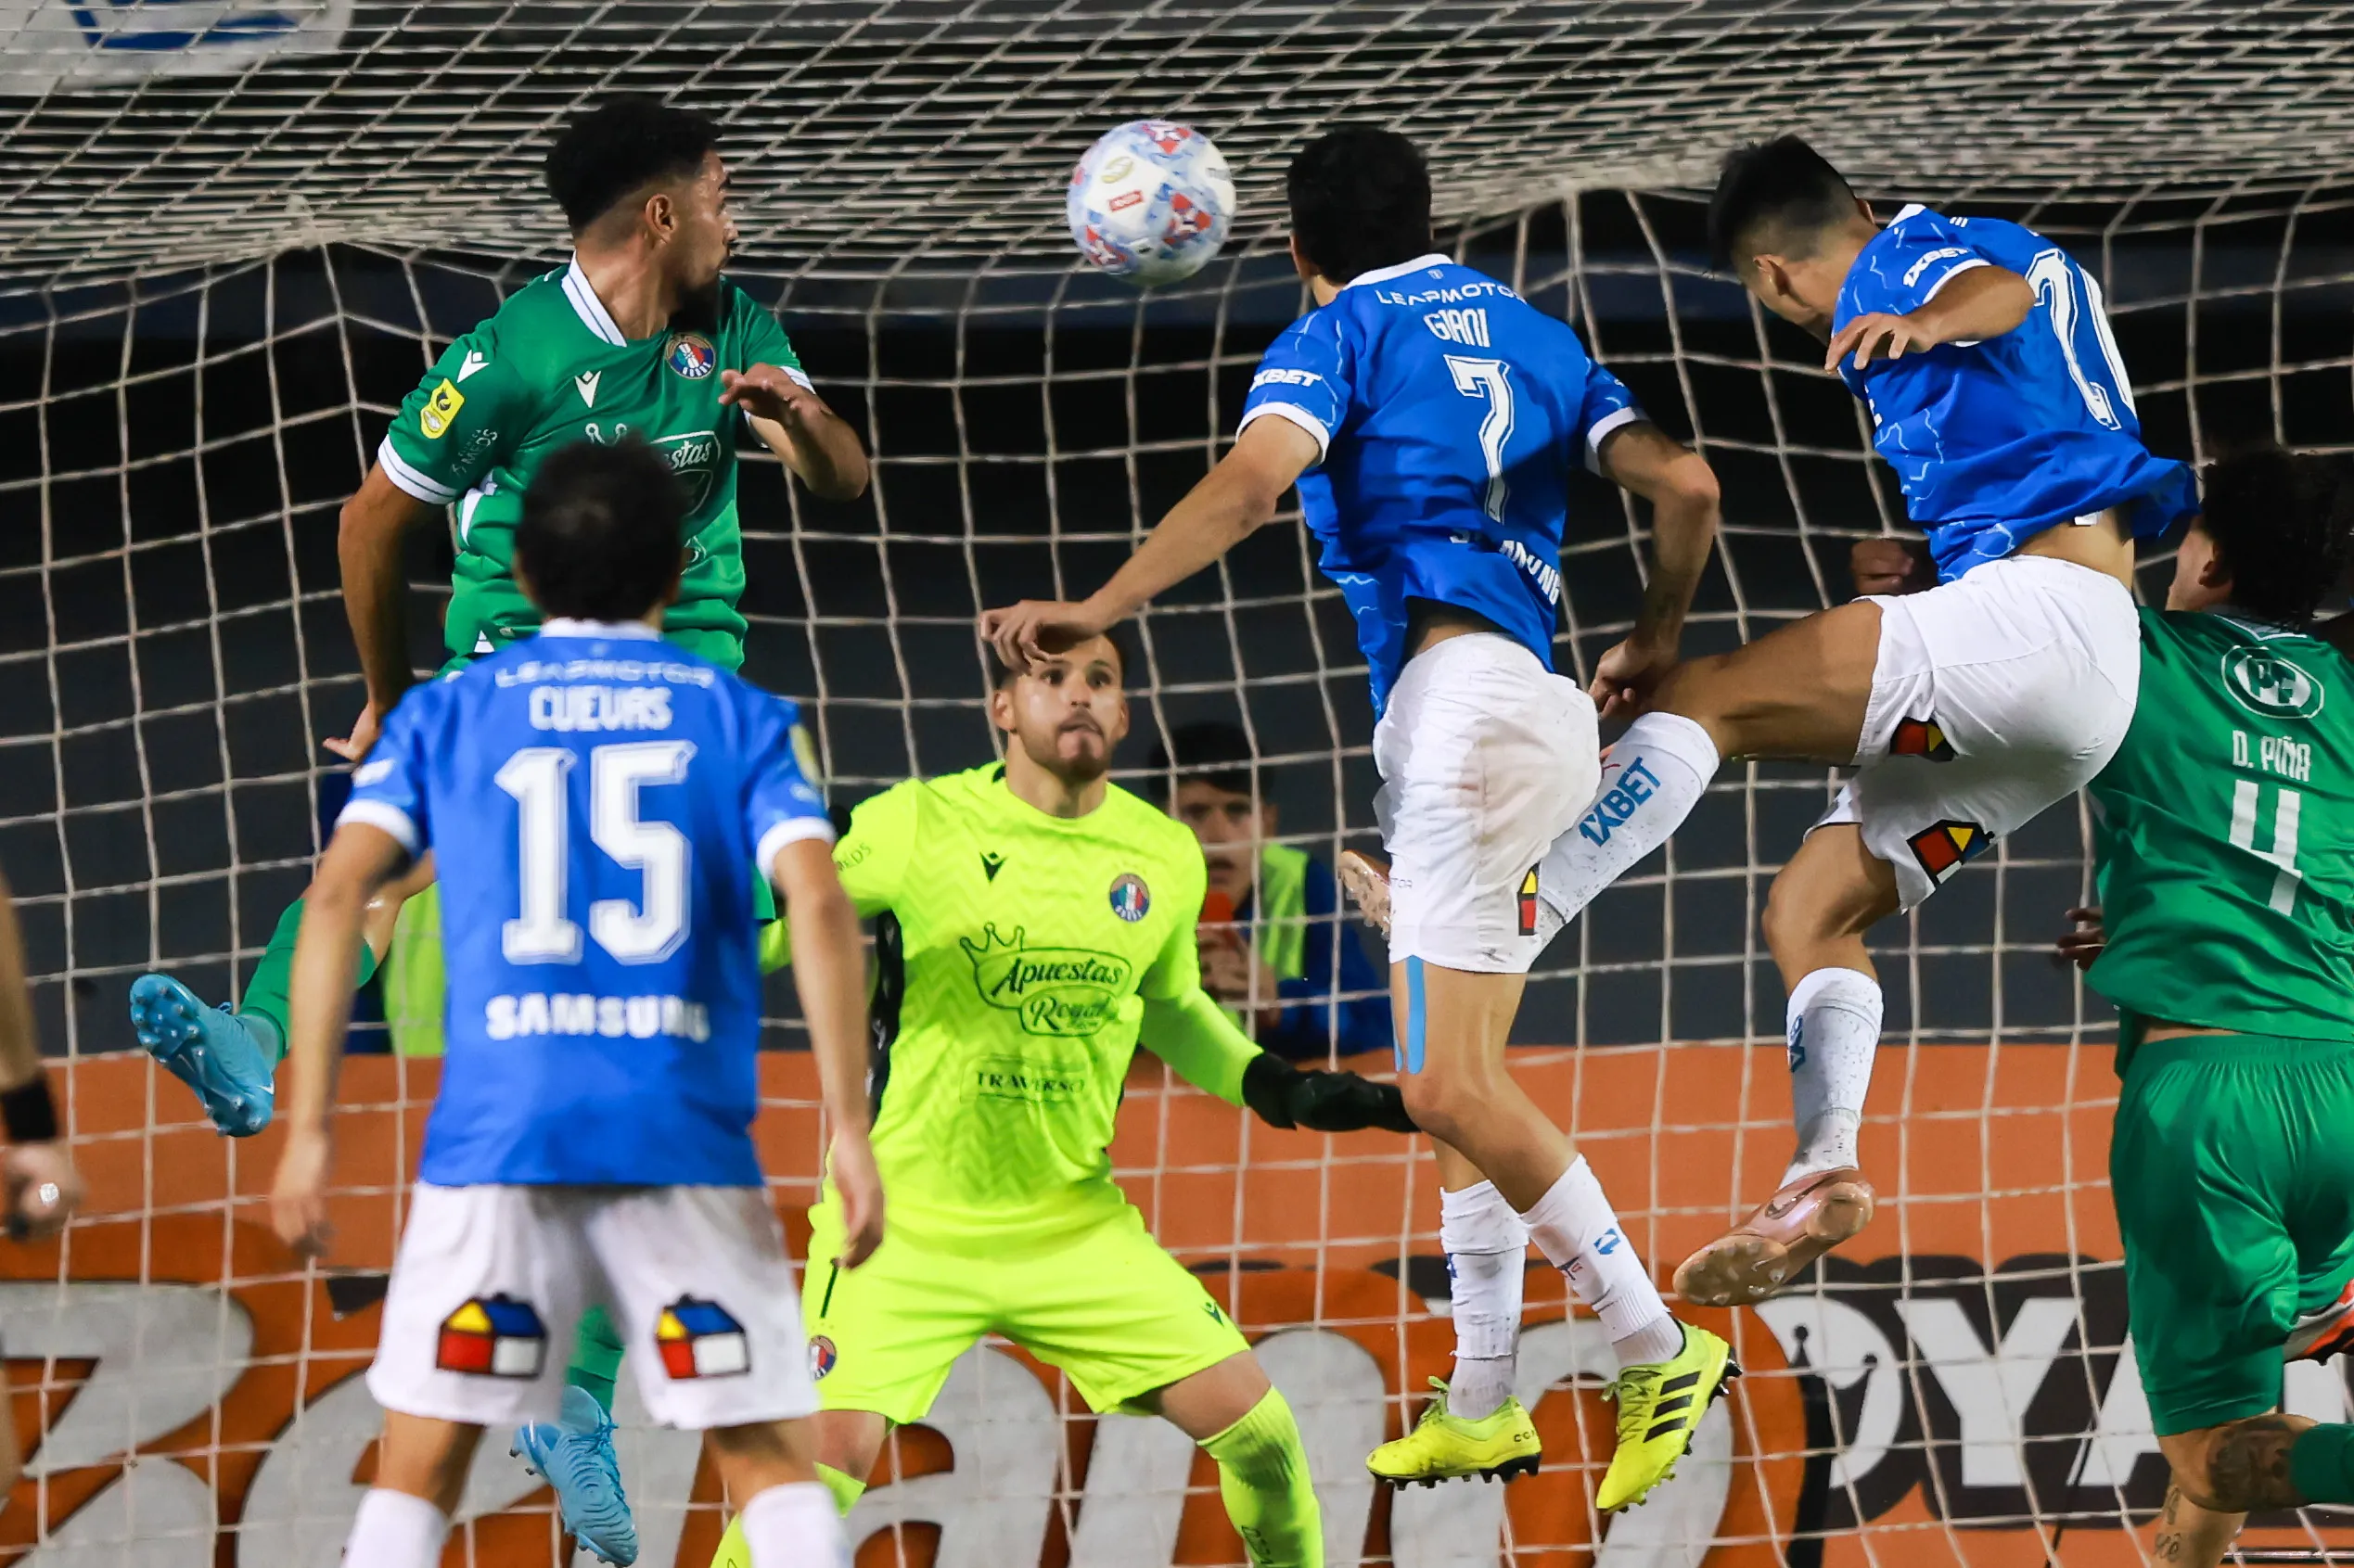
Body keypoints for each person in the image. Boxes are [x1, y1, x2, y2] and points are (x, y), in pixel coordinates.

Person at [135, 93, 871, 1559]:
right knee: (446, 896)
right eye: (721, 194)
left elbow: (847, 486)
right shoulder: (510, 359)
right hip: (519, 658)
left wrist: (800, 418)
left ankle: (570, 1399)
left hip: (685, 662)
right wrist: (388, 692)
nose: (737, 217)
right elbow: (370, 519)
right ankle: (260, 1039)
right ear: (659, 212)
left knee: (563, 974)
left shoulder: (738, 325)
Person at [983, 127, 1734, 1509]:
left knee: (1444, 1088)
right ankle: (1482, 1390)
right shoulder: (1533, 330)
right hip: (1536, 705)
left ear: (1293, 250)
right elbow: (1687, 487)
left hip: (1463, 719)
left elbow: (1251, 483)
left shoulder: (1337, 329)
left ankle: (1652, 1337)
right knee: (1458, 1075)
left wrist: (1093, 607)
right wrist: (1652, 634)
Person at [1425, 133, 2195, 1308]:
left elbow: (1997, 294)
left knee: (1701, 696)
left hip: (2038, 623)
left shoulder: (1907, 259)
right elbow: (2038, 350)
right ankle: (1821, 1169)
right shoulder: (1972, 261)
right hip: (2069, 689)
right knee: (1811, 907)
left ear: (1773, 277)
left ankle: (1518, 910)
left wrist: (1935, 322)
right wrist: (1935, 556)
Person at [268, 438, 880, 1568]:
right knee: (764, 1457)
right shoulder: (740, 715)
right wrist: (849, 1131)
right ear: (678, 573)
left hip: (504, 1138)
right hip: (680, 1137)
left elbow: (338, 894)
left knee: (422, 1464)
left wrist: (307, 1132)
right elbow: (821, 906)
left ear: (526, 575)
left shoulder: (449, 714)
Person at [715, 631, 1416, 1568]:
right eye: (1050, 678)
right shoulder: (918, 822)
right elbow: (783, 925)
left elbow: (1168, 1006)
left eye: (1100, 680)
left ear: (1123, 714)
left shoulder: (1160, 852)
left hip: (1074, 1225)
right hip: (903, 1224)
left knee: (1262, 1431)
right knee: (817, 1478)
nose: (1078, 695)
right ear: (1004, 708)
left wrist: (1275, 1084)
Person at [2038, 448, 2354, 1568]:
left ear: (2207, 556)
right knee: (2254, 1364)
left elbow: (2067, 536)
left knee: (2214, 1447)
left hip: (2212, 1100)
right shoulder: (2349, 676)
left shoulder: (2130, 654)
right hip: (2344, 1072)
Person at [1149, 720, 1388, 1060]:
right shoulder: (1129, 893)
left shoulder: (1302, 883)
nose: (1219, 837)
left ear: (1268, 822)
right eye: (1195, 812)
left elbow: (1377, 1027)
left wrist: (1280, 1006)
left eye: (1238, 811)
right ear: (1157, 825)